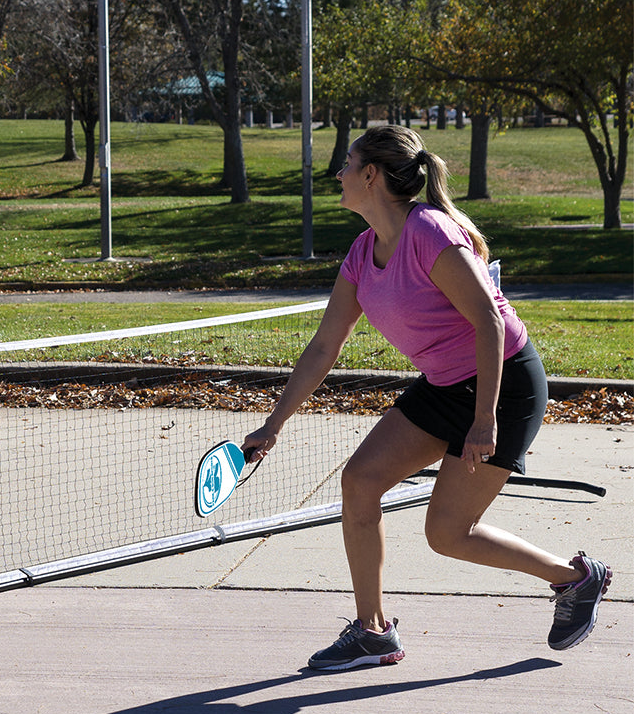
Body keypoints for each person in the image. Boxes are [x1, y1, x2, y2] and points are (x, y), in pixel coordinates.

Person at [242, 125, 611, 671]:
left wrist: (483, 420)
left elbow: (489, 321)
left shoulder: (429, 232)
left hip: (504, 384)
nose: (339, 173)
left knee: (447, 534)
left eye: (348, 163)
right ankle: (372, 632)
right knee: (360, 481)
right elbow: (323, 346)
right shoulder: (363, 252)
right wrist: (273, 425)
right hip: (444, 384)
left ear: (371, 175)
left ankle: (575, 578)